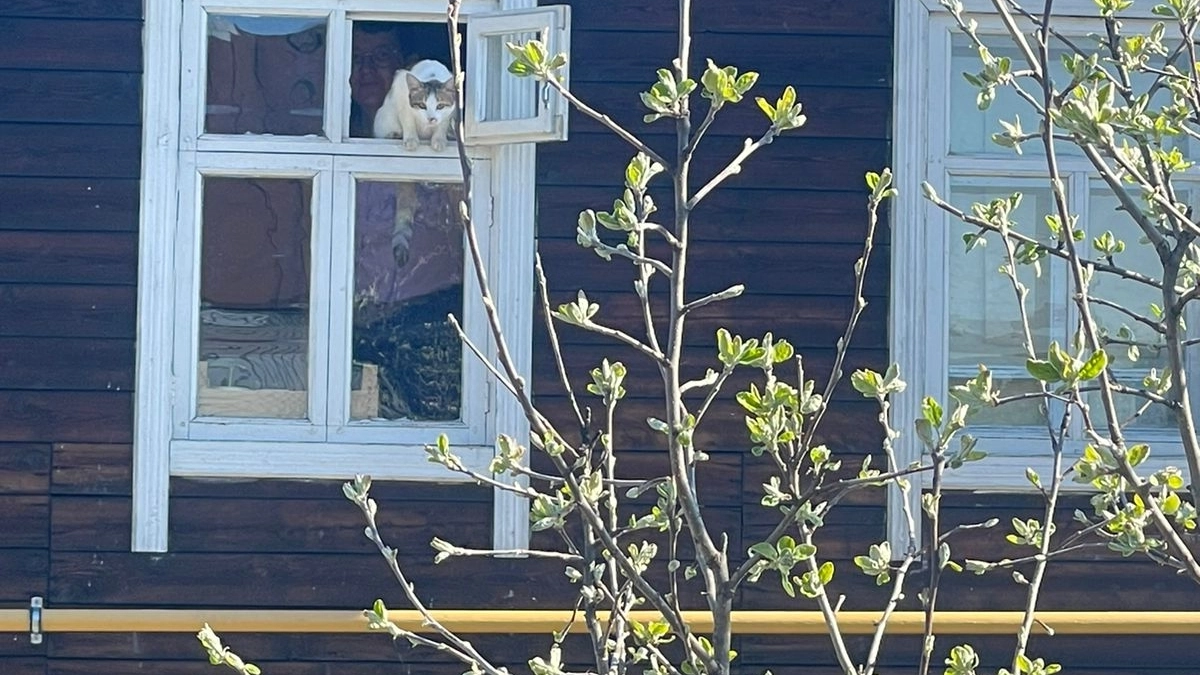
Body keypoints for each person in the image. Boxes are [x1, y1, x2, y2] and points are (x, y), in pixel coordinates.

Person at [348, 22, 466, 422]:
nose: (365, 70)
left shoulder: (444, 134)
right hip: (358, 323)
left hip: (431, 319)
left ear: (405, 70)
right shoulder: (337, 142)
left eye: (380, 57)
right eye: (356, 59)